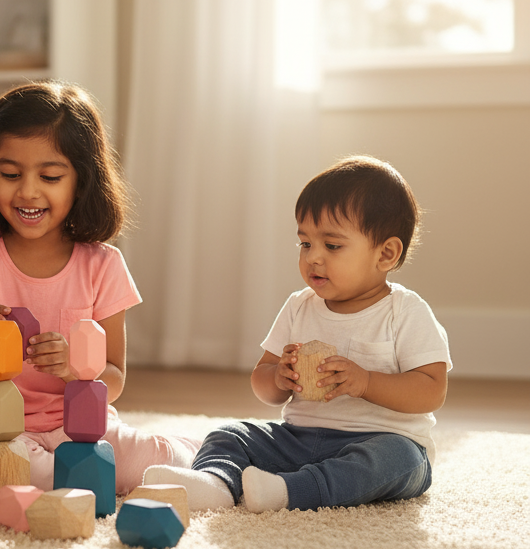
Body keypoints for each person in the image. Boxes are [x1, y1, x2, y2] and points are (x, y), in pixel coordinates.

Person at [0, 81, 201, 493]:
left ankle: (202, 450)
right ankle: (79, 481)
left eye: (50, 176)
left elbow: (114, 378)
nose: (28, 191)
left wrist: (75, 368)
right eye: (10, 174)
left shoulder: (103, 264)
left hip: (79, 425)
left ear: (81, 180)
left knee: (145, 461)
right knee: (9, 473)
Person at [146, 155, 450, 513]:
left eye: (332, 246)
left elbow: (432, 390)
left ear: (385, 254)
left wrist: (366, 381)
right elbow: (263, 384)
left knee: (401, 460)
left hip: (380, 440)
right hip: (299, 439)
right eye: (305, 243)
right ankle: (215, 483)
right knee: (229, 434)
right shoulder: (299, 305)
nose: (313, 258)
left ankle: (289, 491)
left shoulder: (405, 311)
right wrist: (279, 377)